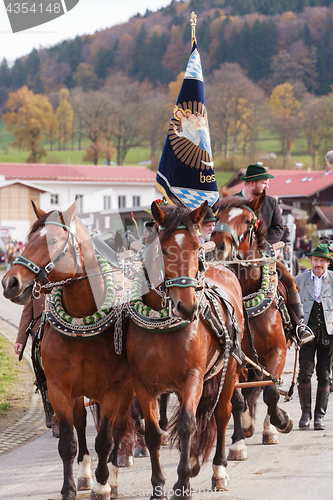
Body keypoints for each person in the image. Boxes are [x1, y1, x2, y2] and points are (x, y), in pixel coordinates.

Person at [235, 163, 314, 346]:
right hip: (235, 258)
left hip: (264, 255)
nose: (267, 187)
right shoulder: (231, 202)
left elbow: (279, 228)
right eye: (264, 183)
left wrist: (265, 245)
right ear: (252, 183)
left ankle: (298, 326)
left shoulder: (270, 202)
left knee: (288, 279)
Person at [296, 244, 333, 430]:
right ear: (310, 261)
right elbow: (291, 307)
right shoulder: (299, 280)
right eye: (316, 260)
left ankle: (320, 416)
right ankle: (305, 414)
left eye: (322, 261)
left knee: (325, 376)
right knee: (304, 373)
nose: (319, 264)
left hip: (328, 334)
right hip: (306, 334)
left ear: (328, 262)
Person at [15, 295, 59, 438]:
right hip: (40, 339)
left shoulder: (65, 280)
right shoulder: (36, 287)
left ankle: (60, 416)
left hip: (63, 339)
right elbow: (27, 312)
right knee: (44, 375)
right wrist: (20, 340)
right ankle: (50, 410)